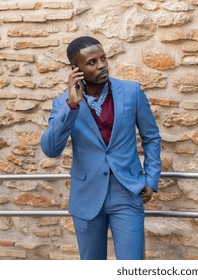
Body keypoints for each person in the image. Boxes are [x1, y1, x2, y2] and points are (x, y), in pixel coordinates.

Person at [41, 36, 161, 260]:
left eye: (103, 58)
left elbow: (151, 137)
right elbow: (50, 149)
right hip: (86, 196)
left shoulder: (132, 92)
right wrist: (71, 106)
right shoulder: (63, 103)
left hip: (126, 192)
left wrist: (151, 178)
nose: (102, 65)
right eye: (92, 62)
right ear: (76, 69)